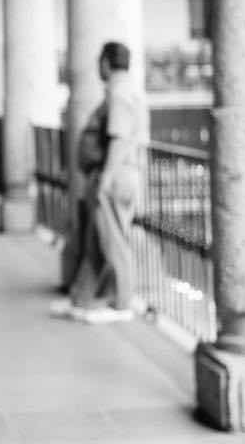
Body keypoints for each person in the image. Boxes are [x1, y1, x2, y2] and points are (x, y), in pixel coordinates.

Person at [52, 41, 144, 324]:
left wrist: (106, 177)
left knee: (112, 242)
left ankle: (121, 303)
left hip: (113, 176)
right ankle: (84, 300)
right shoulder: (124, 90)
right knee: (97, 241)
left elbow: (119, 138)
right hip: (113, 174)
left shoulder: (119, 93)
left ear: (105, 62)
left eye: (98, 62)